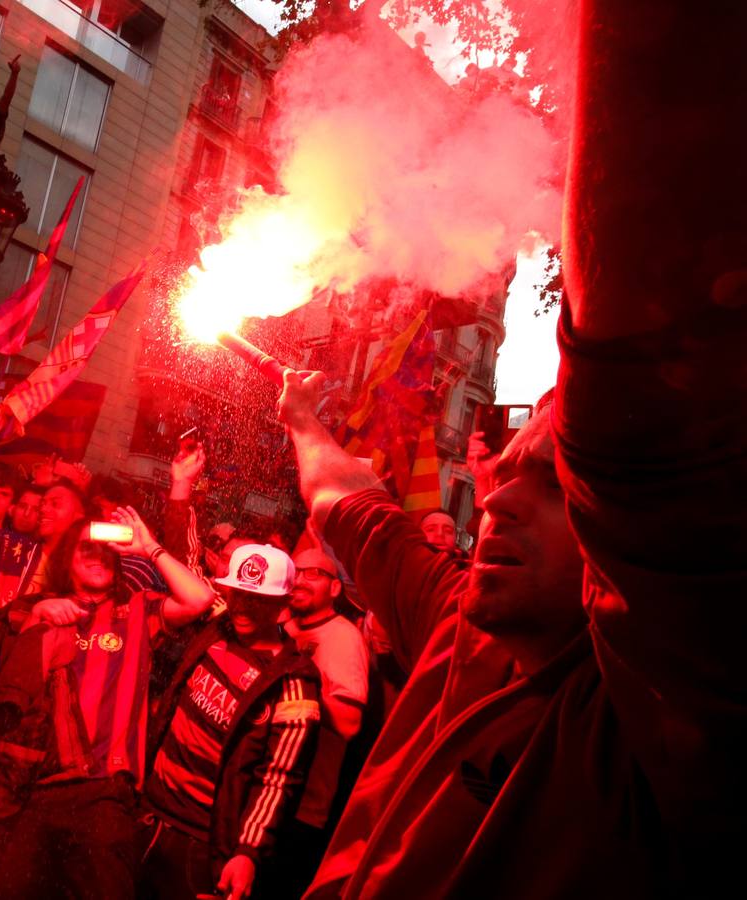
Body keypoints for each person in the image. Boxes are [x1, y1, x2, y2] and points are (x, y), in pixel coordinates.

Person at [286, 6, 747, 893]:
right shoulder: (456, 627)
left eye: (555, 484)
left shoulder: (663, 719)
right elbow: (348, 504)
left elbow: (643, 425)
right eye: (507, 474)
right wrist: (303, 419)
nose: (493, 499)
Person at [0, 509, 217, 898]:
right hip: (35, 790)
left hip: (104, 794)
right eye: (86, 549)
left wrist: (148, 547)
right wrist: (36, 618)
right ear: (68, 560)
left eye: (106, 550)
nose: (98, 557)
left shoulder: (138, 610)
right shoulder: (36, 607)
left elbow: (200, 599)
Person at [138, 544, 323, 900]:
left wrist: (247, 852)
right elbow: (194, 594)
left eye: (258, 601)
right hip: (149, 811)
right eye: (238, 595)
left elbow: (278, 778)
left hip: (200, 842)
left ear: (283, 606)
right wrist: (150, 547)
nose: (243, 608)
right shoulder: (216, 631)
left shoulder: (292, 681)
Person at [269, 548, 368, 894]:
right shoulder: (282, 627)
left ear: (335, 588)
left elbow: (350, 723)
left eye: (313, 574)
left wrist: (303, 683)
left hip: (301, 808)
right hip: (264, 791)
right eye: (296, 571)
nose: (300, 580)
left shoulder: (344, 638)